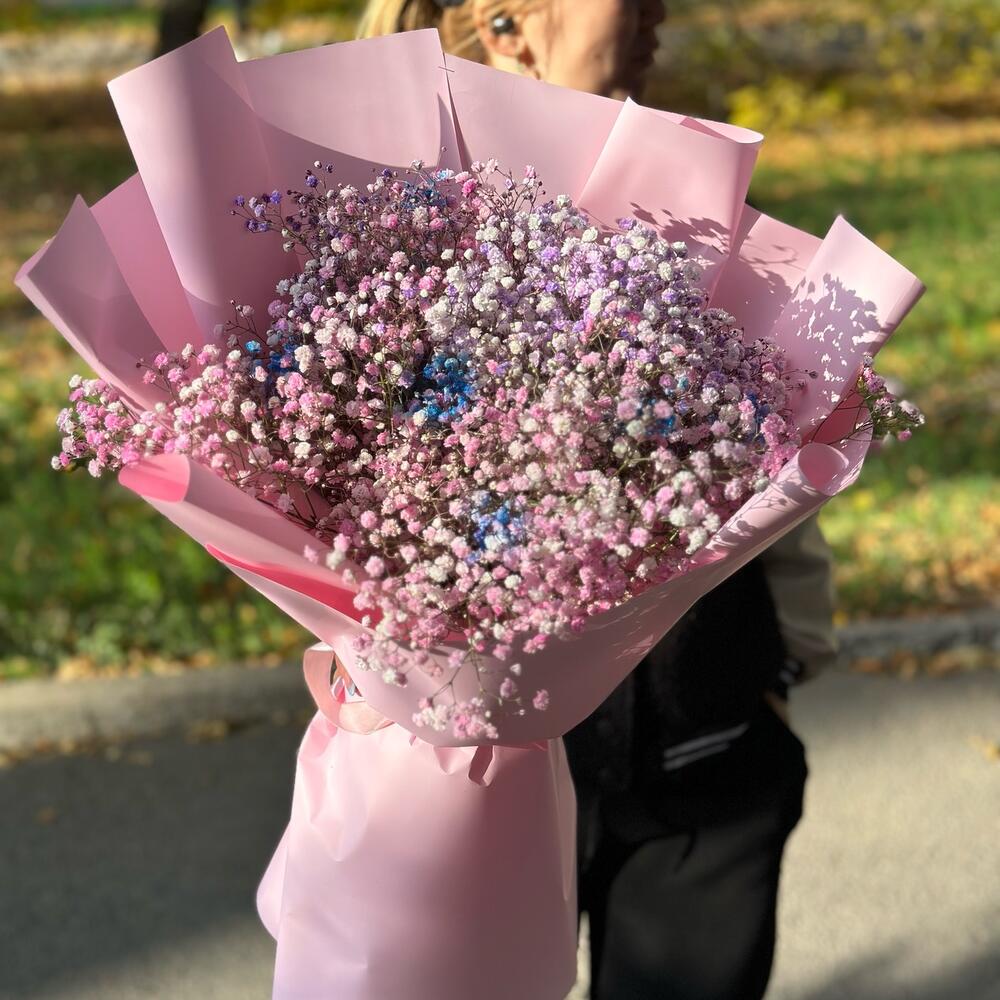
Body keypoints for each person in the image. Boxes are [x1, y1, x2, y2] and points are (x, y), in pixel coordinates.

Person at [360, 4, 839, 998]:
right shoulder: (407, 224)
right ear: (503, 20)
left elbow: (782, 451)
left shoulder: (703, 211)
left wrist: (785, 659)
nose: (658, 7)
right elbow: (341, 491)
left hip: (701, 751)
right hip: (475, 765)